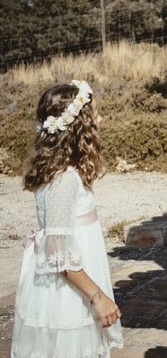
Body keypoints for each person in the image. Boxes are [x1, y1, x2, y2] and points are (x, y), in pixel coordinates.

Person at [11, 80, 123, 358]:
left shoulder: (60, 172)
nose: (101, 119)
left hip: (70, 286)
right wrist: (97, 298)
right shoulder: (65, 179)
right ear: (79, 126)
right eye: (95, 114)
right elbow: (59, 255)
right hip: (70, 295)